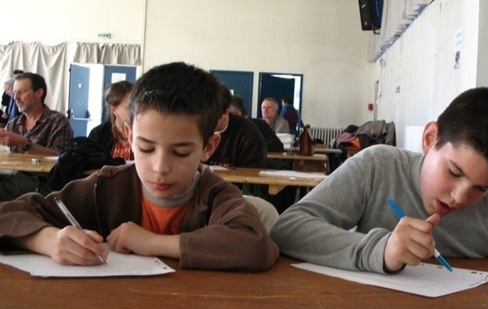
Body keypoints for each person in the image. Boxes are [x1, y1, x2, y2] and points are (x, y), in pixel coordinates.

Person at [0, 62, 279, 271]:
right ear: (130, 136)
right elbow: (9, 214)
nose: (159, 168)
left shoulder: (216, 194)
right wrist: (45, 240)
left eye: (180, 153)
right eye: (145, 149)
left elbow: (255, 245)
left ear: (208, 148)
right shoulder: (105, 187)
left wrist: (151, 242)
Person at [270, 87, 488, 274]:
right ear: (430, 139)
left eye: (482, 188)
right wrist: (380, 250)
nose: (460, 197)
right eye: (453, 172)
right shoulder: (378, 167)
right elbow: (288, 228)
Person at [0, 72, 74, 200]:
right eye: (14, 92)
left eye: (21, 92)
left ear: (39, 93)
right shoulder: (13, 124)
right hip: (12, 178)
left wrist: (24, 143)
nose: (16, 98)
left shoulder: (57, 122)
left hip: (43, 184)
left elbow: (62, 157)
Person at [207, 85, 268, 169]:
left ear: (226, 112)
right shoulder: (198, 128)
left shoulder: (248, 132)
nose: (206, 121)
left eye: (212, 116)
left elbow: (252, 173)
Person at [89, 80, 134, 160]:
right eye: (129, 107)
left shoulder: (145, 132)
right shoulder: (99, 134)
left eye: (137, 106)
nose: (135, 110)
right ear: (113, 110)